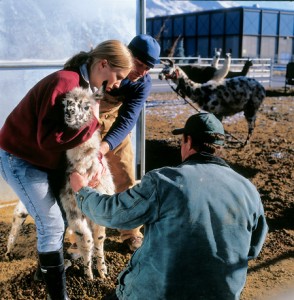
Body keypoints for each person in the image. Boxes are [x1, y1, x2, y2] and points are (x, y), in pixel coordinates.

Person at [70, 112, 268, 300]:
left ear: (187, 141)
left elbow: (112, 214)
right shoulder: (249, 191)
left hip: (158, 293)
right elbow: (252, 249)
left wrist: (82, 190)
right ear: (220, 146)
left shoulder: (164, 181)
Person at [0, 40, 133, 300]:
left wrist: (93, 164)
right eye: (118, 76)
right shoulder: (66, 83)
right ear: (103, 64)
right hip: (21, 158)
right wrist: (93, 119)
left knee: (58, 219)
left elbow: (80, 140)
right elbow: (49, 140)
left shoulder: (86, 88)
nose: (117, 84)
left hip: (43, 159)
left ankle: (43, 271)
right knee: (52, 224)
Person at [98, 34, 161, 251]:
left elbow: (127, 119)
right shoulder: (103, 65)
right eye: (139, 64)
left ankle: (131, 231)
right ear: (127, 54)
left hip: (114, 120)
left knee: (124, 171)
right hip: (86, 115)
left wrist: (104, 146)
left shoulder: (142, 83)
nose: (141, 72)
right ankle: (81, 232)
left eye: (148, 68)